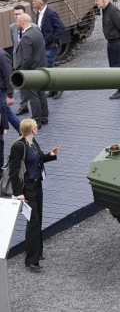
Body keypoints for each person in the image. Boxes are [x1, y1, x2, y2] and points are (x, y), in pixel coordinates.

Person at [10, 118, 58, 271]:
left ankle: (38, 252)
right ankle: (31, 260)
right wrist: (19, 193)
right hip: (28, 189)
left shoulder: (33, 143)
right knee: (33, 222)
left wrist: (50, 155)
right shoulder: (19, 146)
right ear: (31, 129)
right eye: (35, 126)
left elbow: (39, 158)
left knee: (39, 218)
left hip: (38, 185)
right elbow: (14, 171)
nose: (37, 127)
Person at [13, 14, 47, 124]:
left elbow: (27, 58)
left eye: (17, 22)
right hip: (40, 68)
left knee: (33, 95)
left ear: (22, 22)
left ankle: (36, 120)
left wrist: (22, 72)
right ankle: (44, 118)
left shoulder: (27, 37)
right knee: (41, 93)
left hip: (31, 71)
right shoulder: (37, 32)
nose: (17, 24)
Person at [32, 0, 65, 77]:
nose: (33, 2)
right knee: (42, 66)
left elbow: (61, 27)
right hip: (42, 45)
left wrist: (53, 40)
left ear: (40, 3)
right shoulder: (39, 13)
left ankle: (52, 87)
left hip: (50, 45)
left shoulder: (51, 13)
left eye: (34, 1)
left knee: (47, 67)